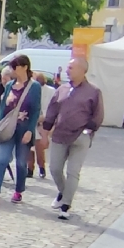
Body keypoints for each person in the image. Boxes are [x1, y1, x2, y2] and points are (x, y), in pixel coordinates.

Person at [42, 57, 104, 220]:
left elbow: (98, 114)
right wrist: (45, 131)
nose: (68, 70)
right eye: (68, 68)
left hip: (80, 137)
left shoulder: (93, 91)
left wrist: (88, 130)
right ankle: (63, 192)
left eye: (71, 68)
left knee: (73, 172)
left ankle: (65, 205)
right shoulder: (61, 89)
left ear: (82, 70)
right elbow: (52, 110)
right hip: (60, 135)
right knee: (55, 168)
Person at [0, 54, 42, 204]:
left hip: (24, 128)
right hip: (8, 128)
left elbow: (35, 110)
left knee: (21, 163)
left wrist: (30, 130)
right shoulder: (9, 86)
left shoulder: (34, 87)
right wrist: (0, 122)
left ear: (24, 67)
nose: (12, 70)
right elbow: (3, 107)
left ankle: (18, 190)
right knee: (1, 159)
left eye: (15, 67)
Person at [28, 74, 50, 179]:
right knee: (28, 148)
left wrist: (41, 118)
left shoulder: (50, 91)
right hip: (30, 121)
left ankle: (41, 168)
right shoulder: (29, 89)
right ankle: (30, 169)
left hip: (41, 123)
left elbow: (49, 108)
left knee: (39, 148)